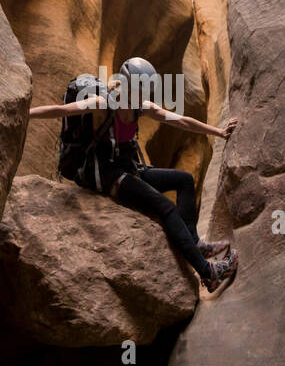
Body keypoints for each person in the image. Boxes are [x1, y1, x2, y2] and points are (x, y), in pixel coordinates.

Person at [29, 58, 240, 293]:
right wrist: (26, 113)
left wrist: (219, 132)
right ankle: (208, 273)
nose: (145, 96)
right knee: (165, 208)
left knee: (184, 181)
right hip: (104, 172)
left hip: (127, 166)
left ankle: (194, 242)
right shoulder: (103, 103)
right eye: (142, 90)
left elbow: (180, 121)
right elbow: (60, 110)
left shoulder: (141, 106)